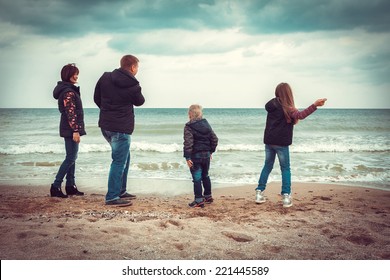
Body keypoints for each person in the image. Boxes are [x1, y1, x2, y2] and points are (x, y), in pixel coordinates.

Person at [256, 82, 327, 207]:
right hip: (282, 143)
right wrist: (315, 105)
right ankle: (286, 197)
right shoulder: (288, 108)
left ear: (277, 92)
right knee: (285, 169)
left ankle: (259, 192)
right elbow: (301, 115)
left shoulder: (271, 105)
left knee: (267, 166)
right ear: (289, 93)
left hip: (269, 142)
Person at [94, 55, 145, 207]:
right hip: (121, 128)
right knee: (119, 161)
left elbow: (97, 98)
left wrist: (108, 111)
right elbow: (140, 102)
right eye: (137, 68)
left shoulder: (105, 77)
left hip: (106, 126)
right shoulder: (133, 84)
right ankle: (112, 196)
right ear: (133, 67)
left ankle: (121, 190)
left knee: (124, 157)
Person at [51, 63, 86, 198]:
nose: (76, 76)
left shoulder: (69, 90)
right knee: (71, 157)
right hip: (71, 129)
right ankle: (55, 186)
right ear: (68, 75)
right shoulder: (68, 92)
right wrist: (76, 131)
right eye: (74, 73)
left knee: (72, 157)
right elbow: (70, 113)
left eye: (77, 73)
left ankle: (70, 186)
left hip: (70, 128)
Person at [183, 105, 218, 208]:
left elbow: (188, 143)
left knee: (197, 178)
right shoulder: (206, 124)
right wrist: (211, 151)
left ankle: (199, 200)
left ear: (190, 114)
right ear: (200, 114)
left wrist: (187, 157)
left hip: (195, 156)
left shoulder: (189, 126)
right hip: (206, 155)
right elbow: (215, 139)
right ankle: (208, 196)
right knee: (205, 175)